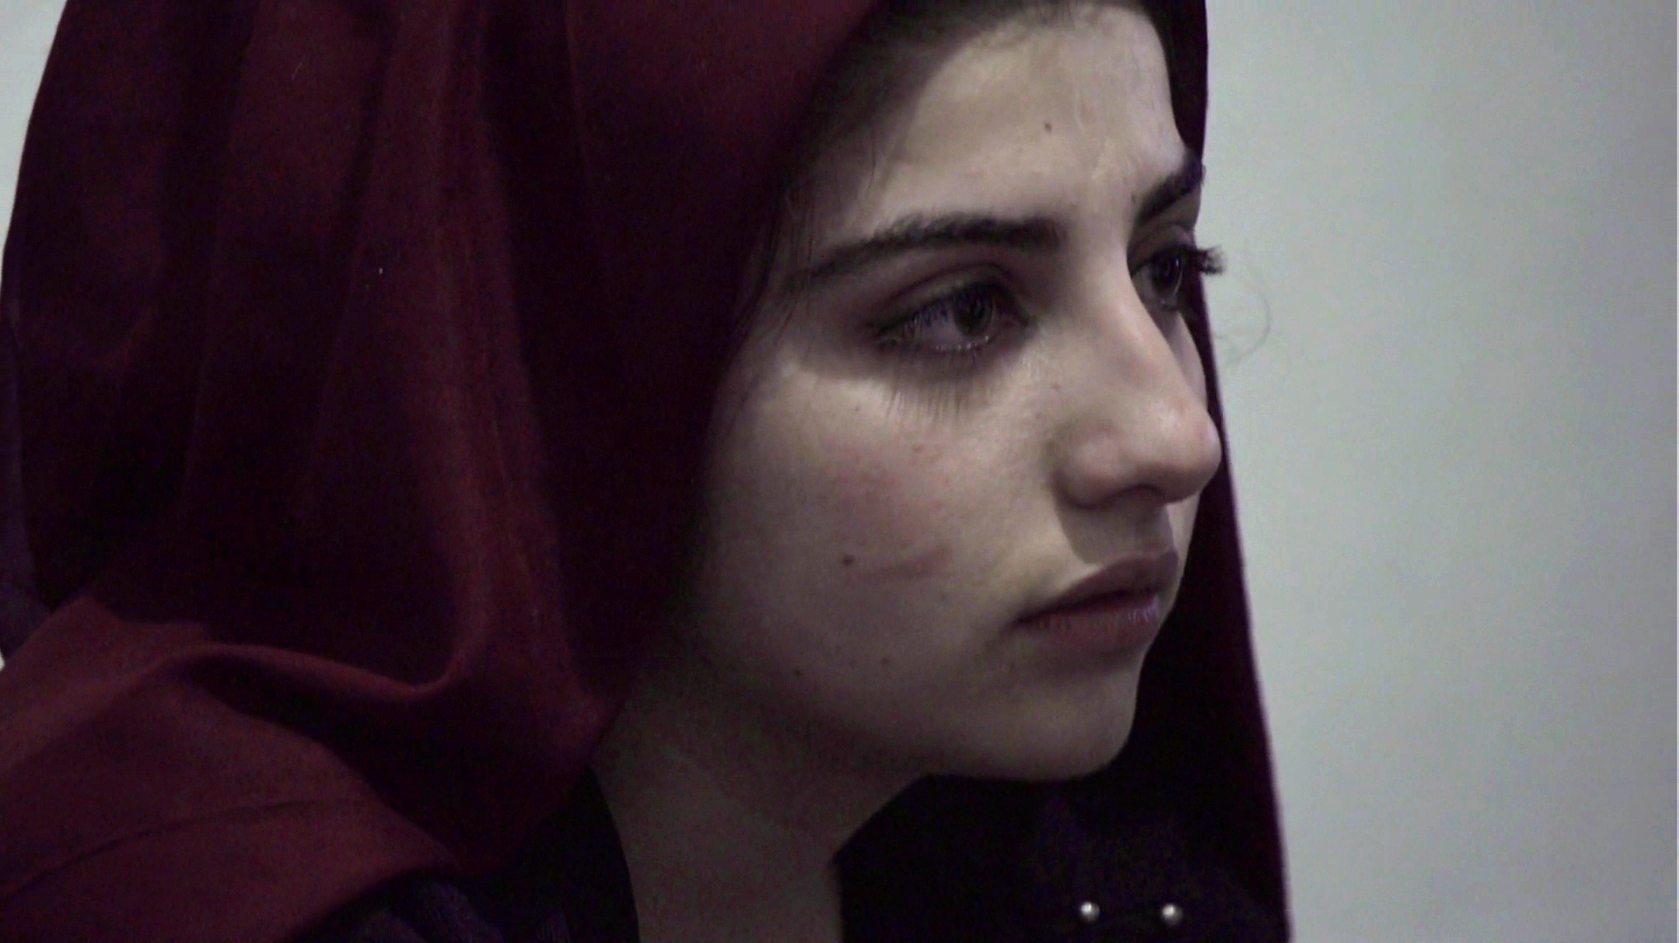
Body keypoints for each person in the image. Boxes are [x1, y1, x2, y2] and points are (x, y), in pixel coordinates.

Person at [0, 0, 1287, 940]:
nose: (1177, 435)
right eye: (960, 311)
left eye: (1163, 267)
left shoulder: (1084, 869)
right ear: (527, 362)